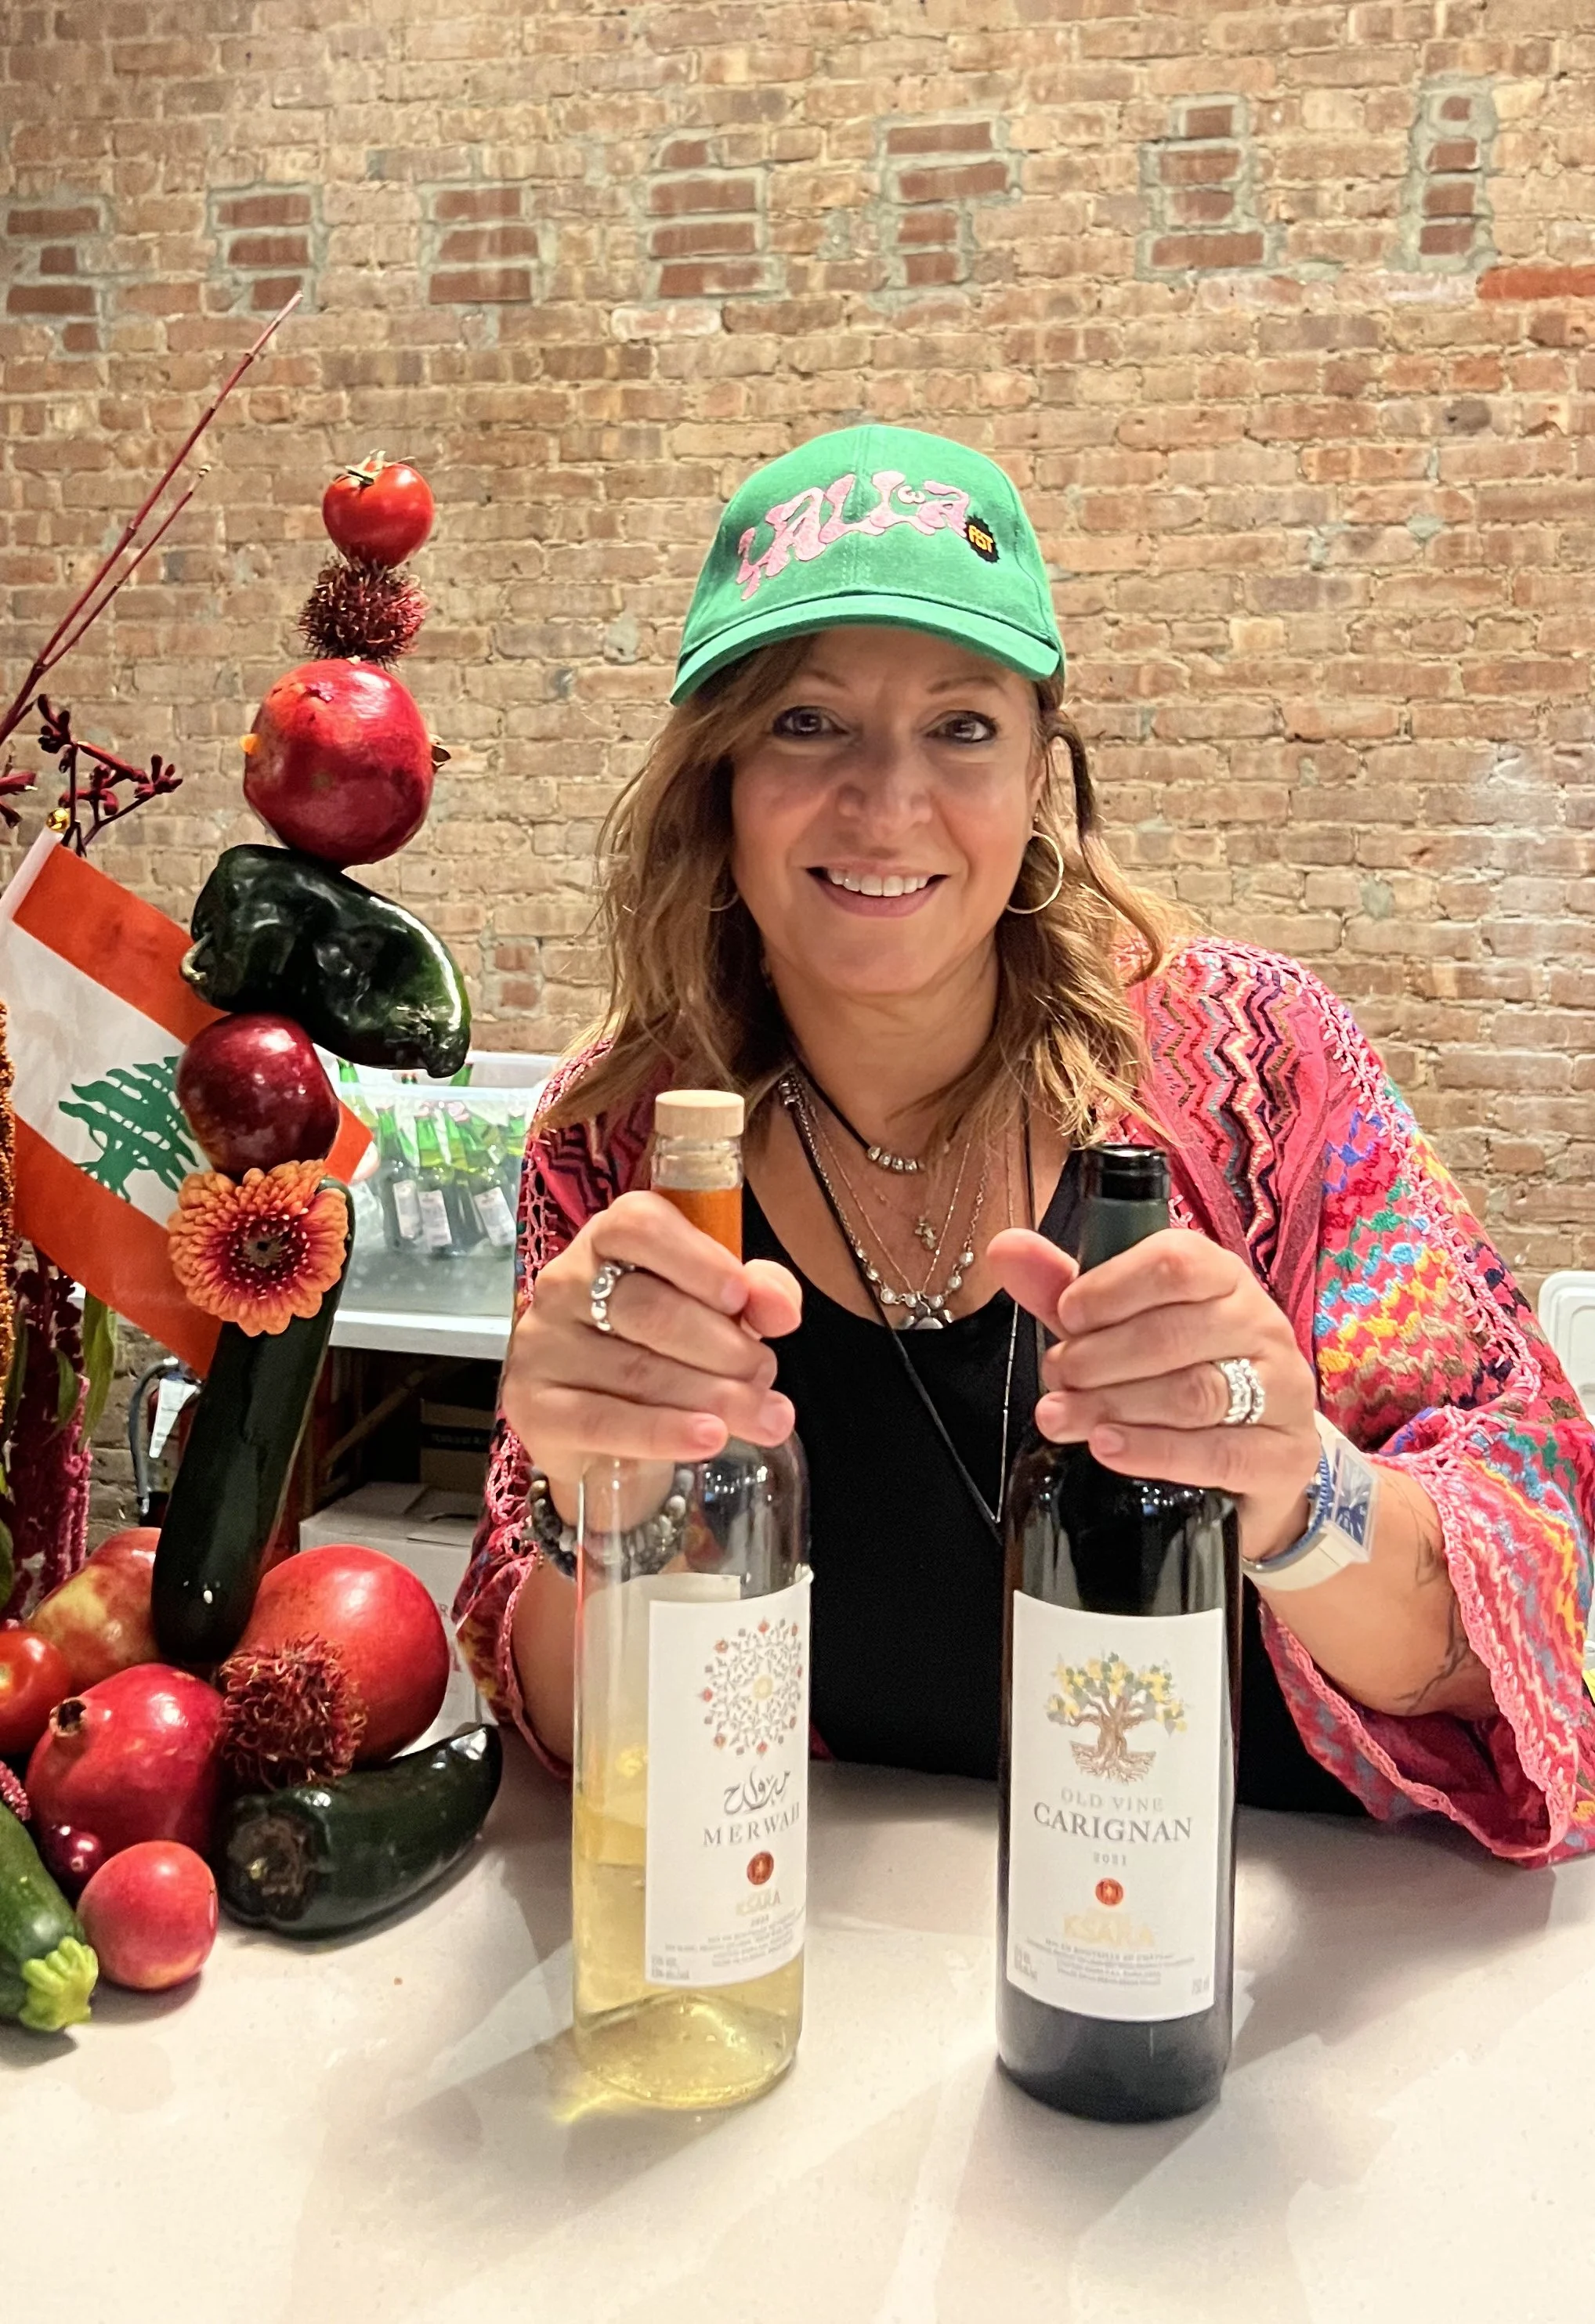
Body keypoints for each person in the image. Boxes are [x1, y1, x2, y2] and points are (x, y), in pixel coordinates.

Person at [458, 423, 1595, 1866]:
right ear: (717, 780)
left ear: (1040, 771)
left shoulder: (1258, 1074)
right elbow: (565, 1731)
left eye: (963, 724)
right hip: (834, 1991)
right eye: (806, 723)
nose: (888, 798)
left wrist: (1305, 1491)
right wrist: (585, 1508)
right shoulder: (631, 1143)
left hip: (1282, 1994)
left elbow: (1546, 1598)